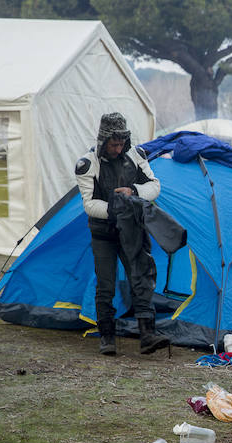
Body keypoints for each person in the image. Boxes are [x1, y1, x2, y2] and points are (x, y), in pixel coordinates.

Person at [74, 112, 170, 356]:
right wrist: (117, 208)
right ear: (103, 141)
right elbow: (89, 204)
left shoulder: (135, 156)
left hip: (133, 230)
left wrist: (133, 191)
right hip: (103, 234)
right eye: (113, 144)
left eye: (120, 144)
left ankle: (147, 335)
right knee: (105, 285)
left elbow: (155, 186)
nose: (117, 149)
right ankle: (107, 337)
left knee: (141, 278)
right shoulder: (88, 164)